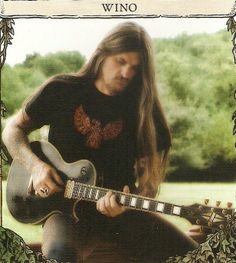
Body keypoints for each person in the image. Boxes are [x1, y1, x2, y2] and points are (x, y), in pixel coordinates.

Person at [2, 22, 198, 262]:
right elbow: (13, 129)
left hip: (121, 214)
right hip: (63, 210)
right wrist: (35, 166)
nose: (127, 73)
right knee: (59, 256)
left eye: (135, 68)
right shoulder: (61, 90)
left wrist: (127, 203)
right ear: (103, 54)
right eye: (121, 61)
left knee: (196, 256)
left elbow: (148, 187)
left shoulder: (145, 112)